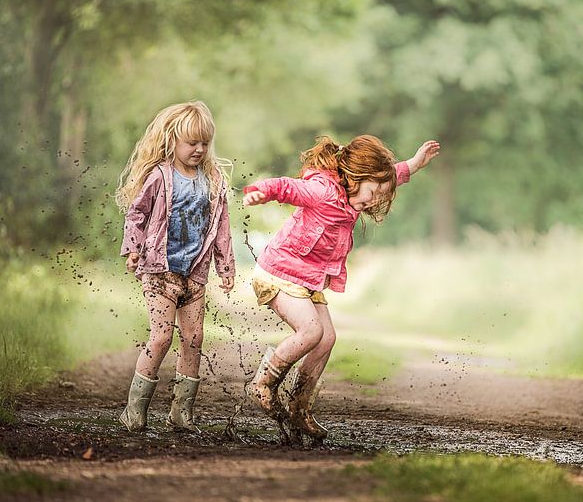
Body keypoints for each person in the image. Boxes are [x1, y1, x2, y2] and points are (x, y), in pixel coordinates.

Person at [242, 134, 440, 443]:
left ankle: (299, 406)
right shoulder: (322, 190)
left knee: (326, 339)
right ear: (356, 176)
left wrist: (414, 163)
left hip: (307, 278)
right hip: (280, 271)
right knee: (310, 332)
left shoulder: (358, 193)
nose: (373, 201)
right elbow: (288, 188)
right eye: (372, 192)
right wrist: (260, 191)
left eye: (379, 195)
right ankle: (262, 383)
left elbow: (392, 176)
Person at [114, 100, 235, 432]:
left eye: (204, 143)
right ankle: (133, 411)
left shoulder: (212, 180)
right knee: (161, 337)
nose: (199, 149)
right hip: (159, 270)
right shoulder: (160, 176)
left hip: (194, 273)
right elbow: (137, 214)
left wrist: (226, 266)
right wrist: (133, 250)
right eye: (191, 142)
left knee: (194, 338)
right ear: (173, 141)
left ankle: (181, 413)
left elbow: (221, 226)